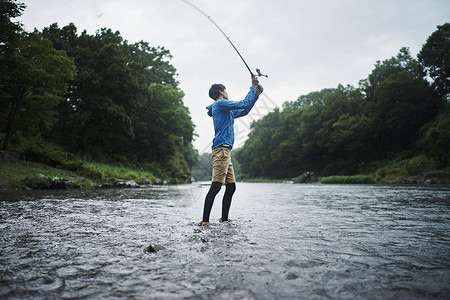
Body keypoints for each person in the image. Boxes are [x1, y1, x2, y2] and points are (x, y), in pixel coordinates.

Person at [201, 76, 264, 226]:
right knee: (216, 186)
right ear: (221, 92)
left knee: (231, 187)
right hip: (221, 150)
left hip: (225, 152)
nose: (227, 93)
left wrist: (255, 95)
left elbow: (244, 109)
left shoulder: (225, 109)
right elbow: (242, 103)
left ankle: (224, 219)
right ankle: (205, 221)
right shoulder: (220, 104)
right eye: (226, 90)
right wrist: (252, 87)